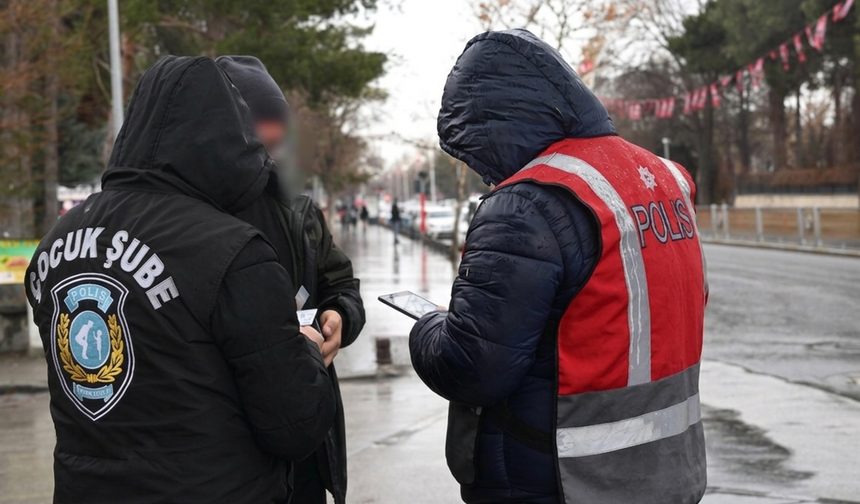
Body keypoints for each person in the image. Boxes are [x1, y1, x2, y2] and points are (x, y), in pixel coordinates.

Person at [409, 29, 708, 504]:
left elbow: (472, 368)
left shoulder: (526, 204)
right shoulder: (665, 178)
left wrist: (427, 327)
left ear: (492, 128)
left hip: (558, 478)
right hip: (668, 471)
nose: (482, 171)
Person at [25, 56, 336, 504]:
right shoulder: (233, 251)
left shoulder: (57, 243)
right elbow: (295, 426)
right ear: (225, 133)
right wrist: (305, 345)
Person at [216, 56, 366, 504]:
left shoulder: (299, 214)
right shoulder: (195, 215)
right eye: (262, 123)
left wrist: (340, 316)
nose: (274, 137)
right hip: (230, 448)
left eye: (278, 123)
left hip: (304, 447)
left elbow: (342, 284)